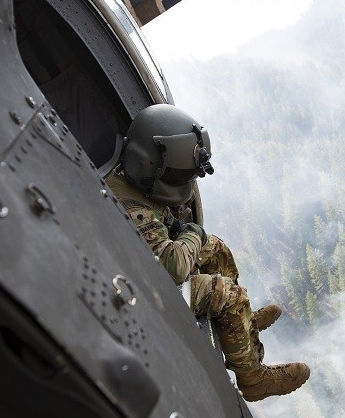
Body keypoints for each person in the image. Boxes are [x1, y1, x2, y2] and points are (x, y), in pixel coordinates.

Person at [105, 104, 309, 401]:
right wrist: (190, 233)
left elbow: (159, 230)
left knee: (216, 248)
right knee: (228, 295)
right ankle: (253, 378)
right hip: (146, 286)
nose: (184, 183)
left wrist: (184, 231)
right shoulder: (132, 208)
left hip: (148, 262)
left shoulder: (132, 181)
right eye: (176, 175)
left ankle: (243, 325)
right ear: (146, 164)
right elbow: (173, 267)